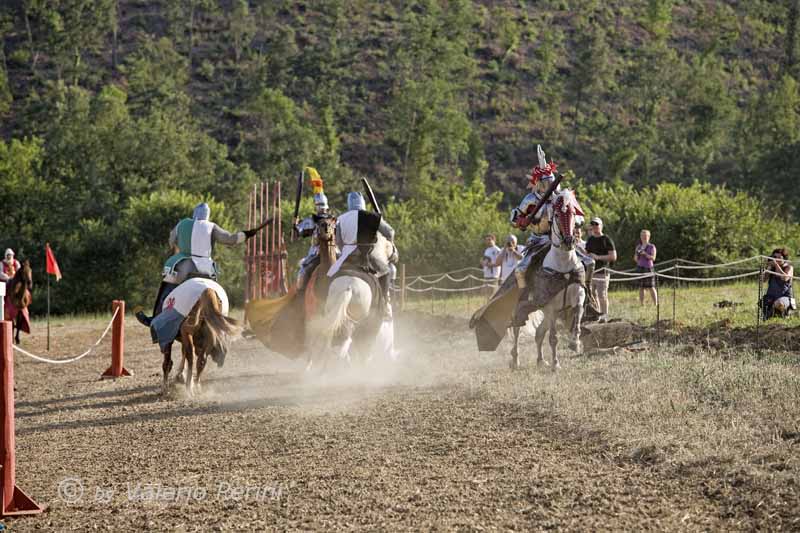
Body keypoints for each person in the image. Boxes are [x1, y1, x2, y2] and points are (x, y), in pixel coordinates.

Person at [136, 202, 259, 327]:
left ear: (194, 213)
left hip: (184, 267)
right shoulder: (212, 227)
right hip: (207, 270)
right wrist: (246, 234)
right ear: (208, 215)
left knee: (167, 284)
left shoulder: (182, 223)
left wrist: (178, 245)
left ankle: (155, 318)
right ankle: (222, 314)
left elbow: (171, 240)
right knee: (215, 290)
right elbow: (230, 239)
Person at [328, 191, 396, 318]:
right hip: (369, 257)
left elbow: (337, 241)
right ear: (363, 203)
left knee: (328, 274)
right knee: (387, 272)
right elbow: (390, 232)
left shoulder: (340, 219)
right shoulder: (373, 216)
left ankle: (323, 305)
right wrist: (390, 242)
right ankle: (384, 303)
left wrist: (345, 249)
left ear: (349, 204)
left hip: (347, 257)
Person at [585, 217, 616, 322]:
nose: (595, 227)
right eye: (593, 225)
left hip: (603, 271)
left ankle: (605, 316)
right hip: (591, 272)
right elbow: (587, 253)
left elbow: (613, 256)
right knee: (592, 295)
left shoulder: (606, 239)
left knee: (602, 295)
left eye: (597, 224)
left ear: (601, 226)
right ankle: (597, 315)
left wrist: (598, 257)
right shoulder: (590, 240)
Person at [761, 248, 795, 319]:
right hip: (771, 298)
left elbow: (785, 278)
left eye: (779, 257)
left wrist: (776, 265)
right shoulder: (771, 268)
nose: (777, 259)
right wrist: (768, 267)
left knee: (779, 303)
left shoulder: (789, 267)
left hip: (785, 298)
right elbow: (763, 280)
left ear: (784, 258)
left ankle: (785, 315)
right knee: (768, 303)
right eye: (775, 257)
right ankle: (771, 314)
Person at [634, 229, 657, 306]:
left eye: (646, 236)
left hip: (648, 268)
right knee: (641, 287)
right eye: (642, 236)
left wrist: (645, 254)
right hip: (640, 267)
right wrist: (637, 255)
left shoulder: (652, 246)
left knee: (651, 287)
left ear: (649, 237)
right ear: (640, 237)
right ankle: (641, 304)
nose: (644, 237)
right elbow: (635, 259)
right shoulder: (638, 247)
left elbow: (653, 258)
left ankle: (655, 304)